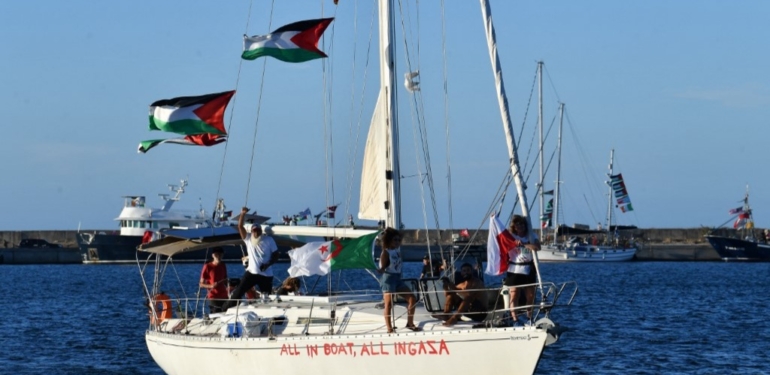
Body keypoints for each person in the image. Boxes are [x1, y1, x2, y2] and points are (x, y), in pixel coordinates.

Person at [224, 207, 280, 309]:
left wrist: (268, 264)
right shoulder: (248, 239)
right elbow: (240, 226)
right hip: (251, 273)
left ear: (260, 231)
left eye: (258, 230)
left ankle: (267, 313)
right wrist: (242, 214)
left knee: (266, 297)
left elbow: (276, 255)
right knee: (238, 291)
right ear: (251, 231)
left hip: (266, 274)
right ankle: (225, 309)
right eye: (254, 230)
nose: (256, 232)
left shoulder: (268, 239)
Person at [377, 227, 420, 333]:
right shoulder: (386, 252)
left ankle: (410, 323)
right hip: (388, 278)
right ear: (389, 240)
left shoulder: (397, 252)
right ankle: (389, 328)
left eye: (398, 240)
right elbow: (383, 267)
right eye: (394, 240)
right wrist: (381, 269)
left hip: (397, 278)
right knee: (389, 304)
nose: (397, 242)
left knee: (412, 299)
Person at [504, 215, 541, 325]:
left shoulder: (531, 236)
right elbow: (503, 245)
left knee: (530, 296)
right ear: (514, 227)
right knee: (514, 294)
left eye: (522, 224)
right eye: (517, 224)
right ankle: (515, 319)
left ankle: (529, 317)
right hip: (514, 269)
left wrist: (524, 244)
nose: (520, 226)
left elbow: (537, 247)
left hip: (528, 268)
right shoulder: (511, 236)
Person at [199, 247, 228, 313]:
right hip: (213, 296)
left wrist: (231, 286)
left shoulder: (223, 265)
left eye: (220, 254)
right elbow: (201, 284)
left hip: (224, 296)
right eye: (216, 255)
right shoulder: (207, 266)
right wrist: (211, 286)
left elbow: (225, 280)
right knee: (215, 315)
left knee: (226, 314)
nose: (218, 256)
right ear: (213, 255)